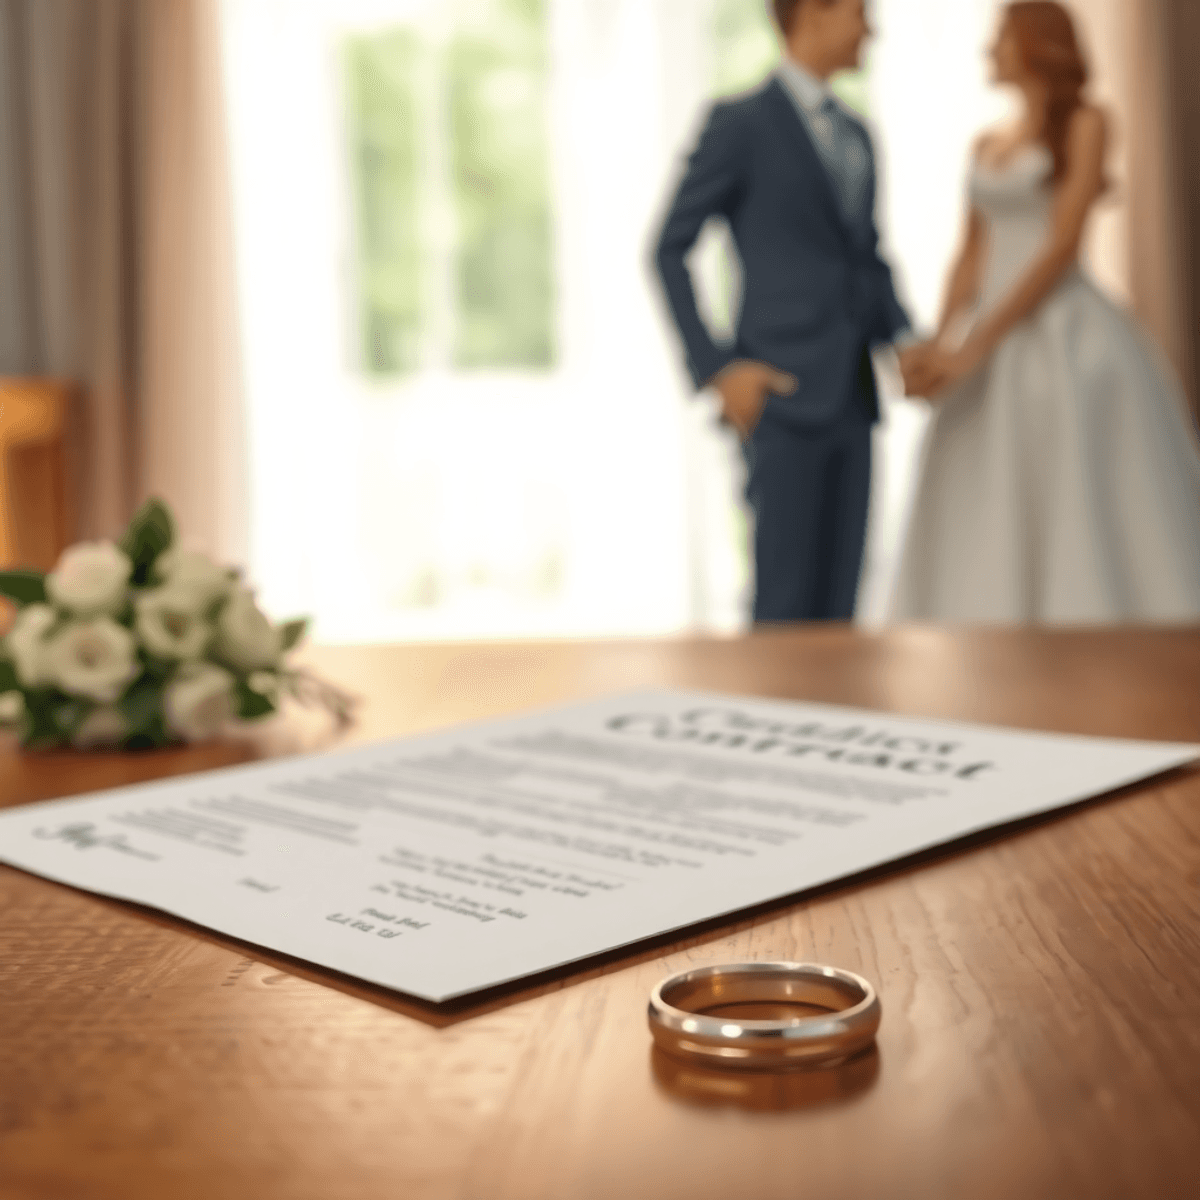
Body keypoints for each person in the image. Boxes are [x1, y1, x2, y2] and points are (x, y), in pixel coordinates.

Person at [892, 1, 1200, 624]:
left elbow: (1061, 246)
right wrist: (940, 340)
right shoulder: (986, 142)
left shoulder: (1087, 122)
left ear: (1036, 44)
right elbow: (970, 254)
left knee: (1076, 479)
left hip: (1063, 327)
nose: (991, 51)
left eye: (1001, 38)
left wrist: (977, 347)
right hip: (988, 329)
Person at [654, 0, 923, 623]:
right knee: (783, 606)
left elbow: (865, 257)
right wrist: (719, 368)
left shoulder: (857, 133)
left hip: (854, 396)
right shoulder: (739, 124)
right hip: (780, 397)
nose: (870, 29)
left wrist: (904, 339)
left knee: (841, 610)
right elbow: (668, 249)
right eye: (860, 12)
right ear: (813, 13)